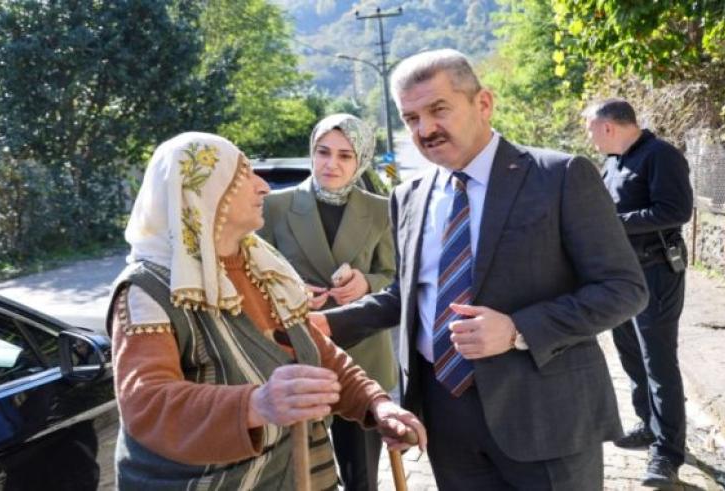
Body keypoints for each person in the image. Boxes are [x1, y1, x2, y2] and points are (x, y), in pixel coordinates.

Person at [309, 48, 649, 490]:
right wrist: (326, 325)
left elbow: (624, 289)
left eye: (438, 109)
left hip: (545, 416)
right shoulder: (408, 195)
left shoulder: (560, 176)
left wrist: (516, 329)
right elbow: (409, 295)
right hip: (446, 418)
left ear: (483, 103)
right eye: (411, 118)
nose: (425, 129)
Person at [106, 132, 425, 490]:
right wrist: (256, 404)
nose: (263, 187)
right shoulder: (147, 288)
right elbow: (146, 404)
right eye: (245, 175)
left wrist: (376, 403)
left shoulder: (262, 266)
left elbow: (315, 349)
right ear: (205, 192)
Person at [258, 113, 398, 491]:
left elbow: (397, 278)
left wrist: (366, 283)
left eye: (345, 155)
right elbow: (254, 276)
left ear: (361, 160)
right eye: (323, 152)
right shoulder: (274, 206)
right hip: (295, 356)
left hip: (364, 354)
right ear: (311, 152)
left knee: (362, 478)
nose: (331, 164)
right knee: (300, 475)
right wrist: (291, 288)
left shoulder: (382, 208)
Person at [584, 98, 693, 488]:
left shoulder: (660, 156)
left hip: (656, 273)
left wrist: (611, 222)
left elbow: (676, 211)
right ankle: (648, 424)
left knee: (659, 363)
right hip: (620, 277)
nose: (590, 137)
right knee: (630, 354)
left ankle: (667, 453)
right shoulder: (611, 163)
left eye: (592, 129)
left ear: (609, 127)